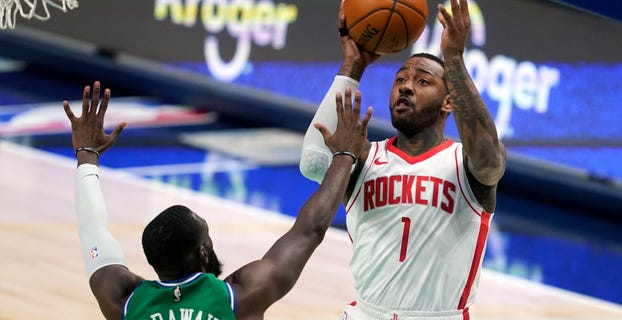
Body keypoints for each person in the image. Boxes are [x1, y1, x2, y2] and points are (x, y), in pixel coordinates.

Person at [64, 80, 372, 320]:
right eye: (208, 239)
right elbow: (310, 229)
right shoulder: (239, 297)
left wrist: (87, 157)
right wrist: (344, 156)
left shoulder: (124, 301)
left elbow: (93, 232)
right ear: (202, 252)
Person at [299, 0, 507, 319]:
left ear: (448, 101)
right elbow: (313, 162)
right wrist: (352, 67)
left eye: (422, 81)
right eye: (400, 80)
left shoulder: (465, 164)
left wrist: (453, 59)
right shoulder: (365, 157)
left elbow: (489, 159)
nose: (406, 87)